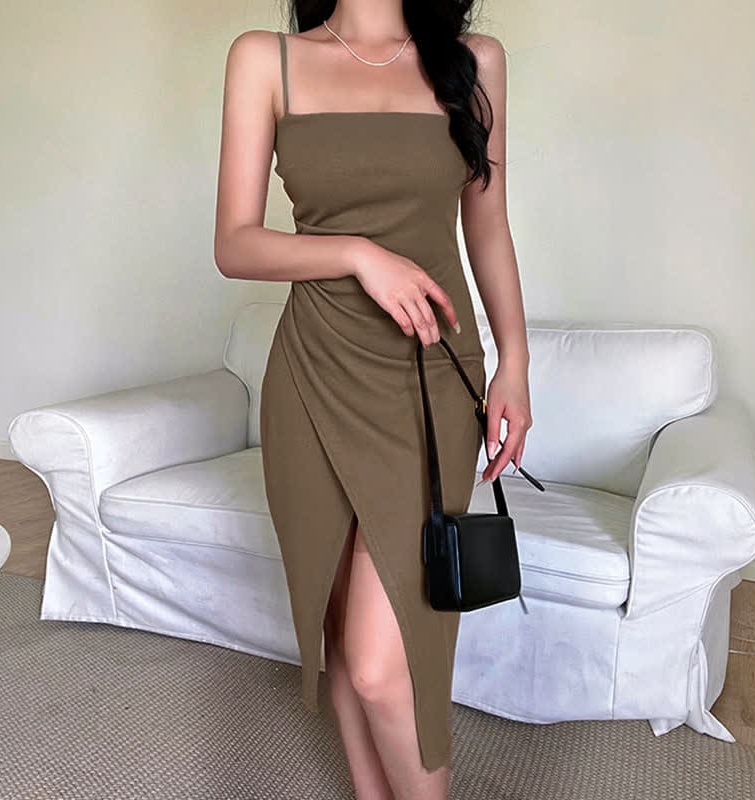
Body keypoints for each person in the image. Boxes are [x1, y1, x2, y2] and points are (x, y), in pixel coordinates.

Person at [214, 3, 531, 797]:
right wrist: (357, 254)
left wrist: (515, 361)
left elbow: (487, 225)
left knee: (385, 665)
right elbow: (235, 243)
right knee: (339, 631)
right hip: (313, 374)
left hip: (430, 380)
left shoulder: (475, 60)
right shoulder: (264, 58)